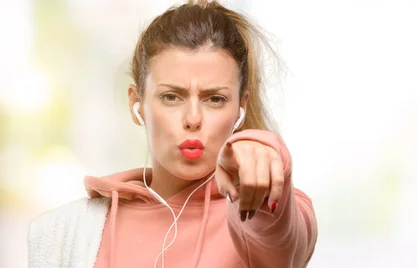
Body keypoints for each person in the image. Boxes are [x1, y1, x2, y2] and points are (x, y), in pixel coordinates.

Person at [27, 1, 318, 267]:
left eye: (214, 99)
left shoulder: (269, 212)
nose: (193, 119)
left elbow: (280, 238)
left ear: (240, 108)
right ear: (136, 104)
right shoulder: (70, 229)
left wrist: (265, 154)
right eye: (171, 97)